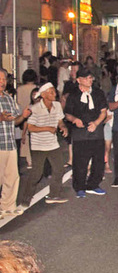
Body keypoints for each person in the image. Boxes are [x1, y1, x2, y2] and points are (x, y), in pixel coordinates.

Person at [17, 83, 68, 205]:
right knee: (36, 174)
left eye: (54, 91)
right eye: (51, 92)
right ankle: (25, 199)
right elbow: (31, 127)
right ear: (43, 95)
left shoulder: (57, 105)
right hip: (38, 146)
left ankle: (54, 195)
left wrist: (63, 127)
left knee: (59, 169)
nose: (54, 94)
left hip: (53, 144)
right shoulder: (35, 109)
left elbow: (59, 120)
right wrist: (47, 128)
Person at [63, 67, 108, 198]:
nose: (90, 80)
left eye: (90, 77)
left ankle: (93, 185)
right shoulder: (73, 95)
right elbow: (67, 114)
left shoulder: (98, 93)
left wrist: (96, 123)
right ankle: (80, 187)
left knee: (98, 161)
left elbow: (103, 112)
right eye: (87, 78)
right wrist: (75, 119)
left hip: (96, 131)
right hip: (80, 133)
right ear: (79, 80)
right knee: (80, 161)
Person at [0, 69, 29, 216]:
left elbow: (15, 121)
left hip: (10, 143)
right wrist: (1, 118)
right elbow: (3, 118)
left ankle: (8, 206)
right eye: (0, 79)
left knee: (12, 176)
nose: (2, 82)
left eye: (4, 79)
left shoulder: (8, 98)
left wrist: (23, 116)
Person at [16, 69, 37, 169]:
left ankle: (28, 159)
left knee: (25, 136)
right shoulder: (36, 88)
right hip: (34, 113)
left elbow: (18, 103)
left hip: (23, 115)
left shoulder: (19, 89)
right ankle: (32, 159)